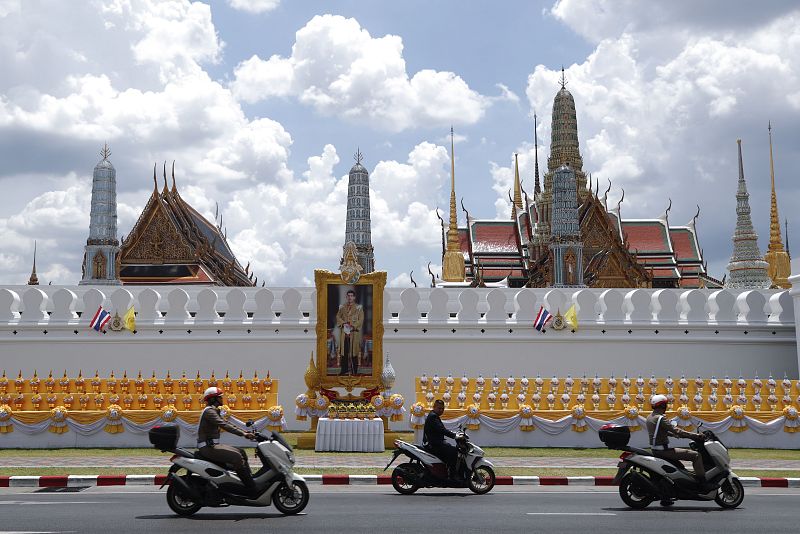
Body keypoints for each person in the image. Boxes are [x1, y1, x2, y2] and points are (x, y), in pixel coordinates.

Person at [197, 386, 257, 496]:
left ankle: (248, 480)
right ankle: (250, 488)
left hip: (213, 445)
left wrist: (245, 432)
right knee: (237, 457)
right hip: (208, 448)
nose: (222, 399)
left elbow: (227, 423)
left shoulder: (214, 411)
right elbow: (223, 425)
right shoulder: (209, 412)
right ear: (213, 399)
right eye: (220, 397)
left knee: (241, 452)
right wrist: (243, 434)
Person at [646, 394, 706, 485]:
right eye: (665, 404)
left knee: (681, 467)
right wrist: (695, 436)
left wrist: (674, 435)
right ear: (663, 405)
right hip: (664, 451)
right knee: (696, 455)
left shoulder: (650, 417)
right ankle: (702, 483)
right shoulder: (660, 418)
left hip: (655, 449)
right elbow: (677, 430)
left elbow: (659, 431)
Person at [423, 399, 460, 479]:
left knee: (449, 447)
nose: (441, 410)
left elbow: (441, 429)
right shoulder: (433, 416)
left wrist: (455, 433)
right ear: (434, 407)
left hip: (435, 443)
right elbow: (441, 430)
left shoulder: (433, 415)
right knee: (454, 452)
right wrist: (454, 436)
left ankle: (446, 470)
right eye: (439, 408)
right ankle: (452, 476)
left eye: (442, 408)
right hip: (434, 444)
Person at [334, 289, 364, 375]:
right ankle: (344, 370)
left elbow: (361, 319)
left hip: (354, 333)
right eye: (348, 296)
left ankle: (354, 370)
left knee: (354, 352)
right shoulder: (342, 307)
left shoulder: (359, 308)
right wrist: (343, 323)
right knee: (344, 352)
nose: (350, 297)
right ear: (346, 297)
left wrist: (353, 326)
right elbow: (338, 317)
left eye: (351, 296)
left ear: (354, 297)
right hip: (344, 333)